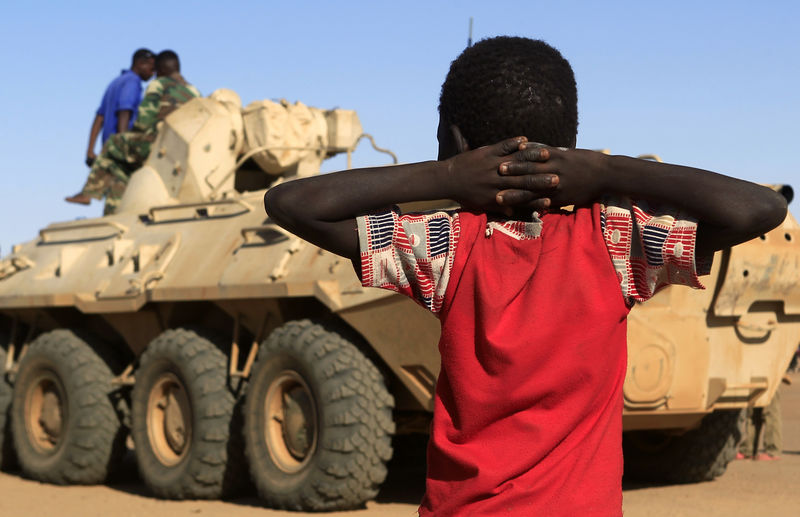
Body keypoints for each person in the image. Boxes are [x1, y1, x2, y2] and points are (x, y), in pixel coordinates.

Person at [263, 36, 788, 516]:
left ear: (452, 137)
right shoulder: (617, 242)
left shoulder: (443, 249)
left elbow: (291, 203)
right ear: (571, 140)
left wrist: (445, 174)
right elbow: (759, 209)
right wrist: (606, 170)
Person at [66, 50, 200, 214]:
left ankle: (89, 193)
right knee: (121, 174)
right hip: (182, 152)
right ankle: (116, 212)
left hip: (157, 146)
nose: (153, 75)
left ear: (161, 70)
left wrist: (127, 138)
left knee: (114, 144)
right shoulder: (194, 91)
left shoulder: (156, 84)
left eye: (155, 70)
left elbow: (142, 121)